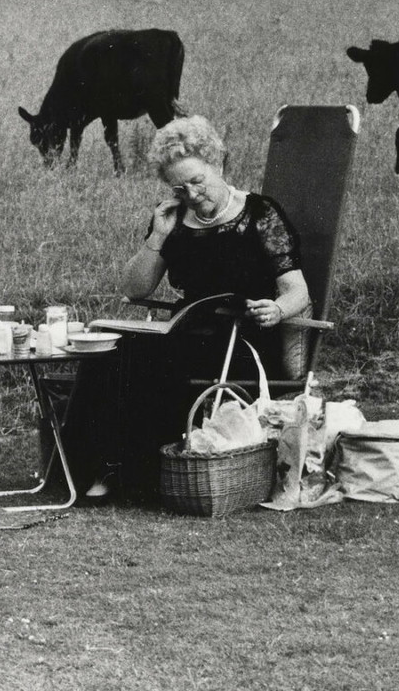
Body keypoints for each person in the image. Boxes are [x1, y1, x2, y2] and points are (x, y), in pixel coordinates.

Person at [64, 115, 312, 499]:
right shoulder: (174, 220)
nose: (192, 194)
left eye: (198, 181)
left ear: (218, 164)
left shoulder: (260, 215)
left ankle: (135, 476)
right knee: (106, 354)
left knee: (151, 362)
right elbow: (134, 288)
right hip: (185, 330)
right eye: (180, 188)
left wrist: (278, 310)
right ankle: (91, 471)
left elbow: (298, 291)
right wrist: (159, 236)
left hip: (240, 337)